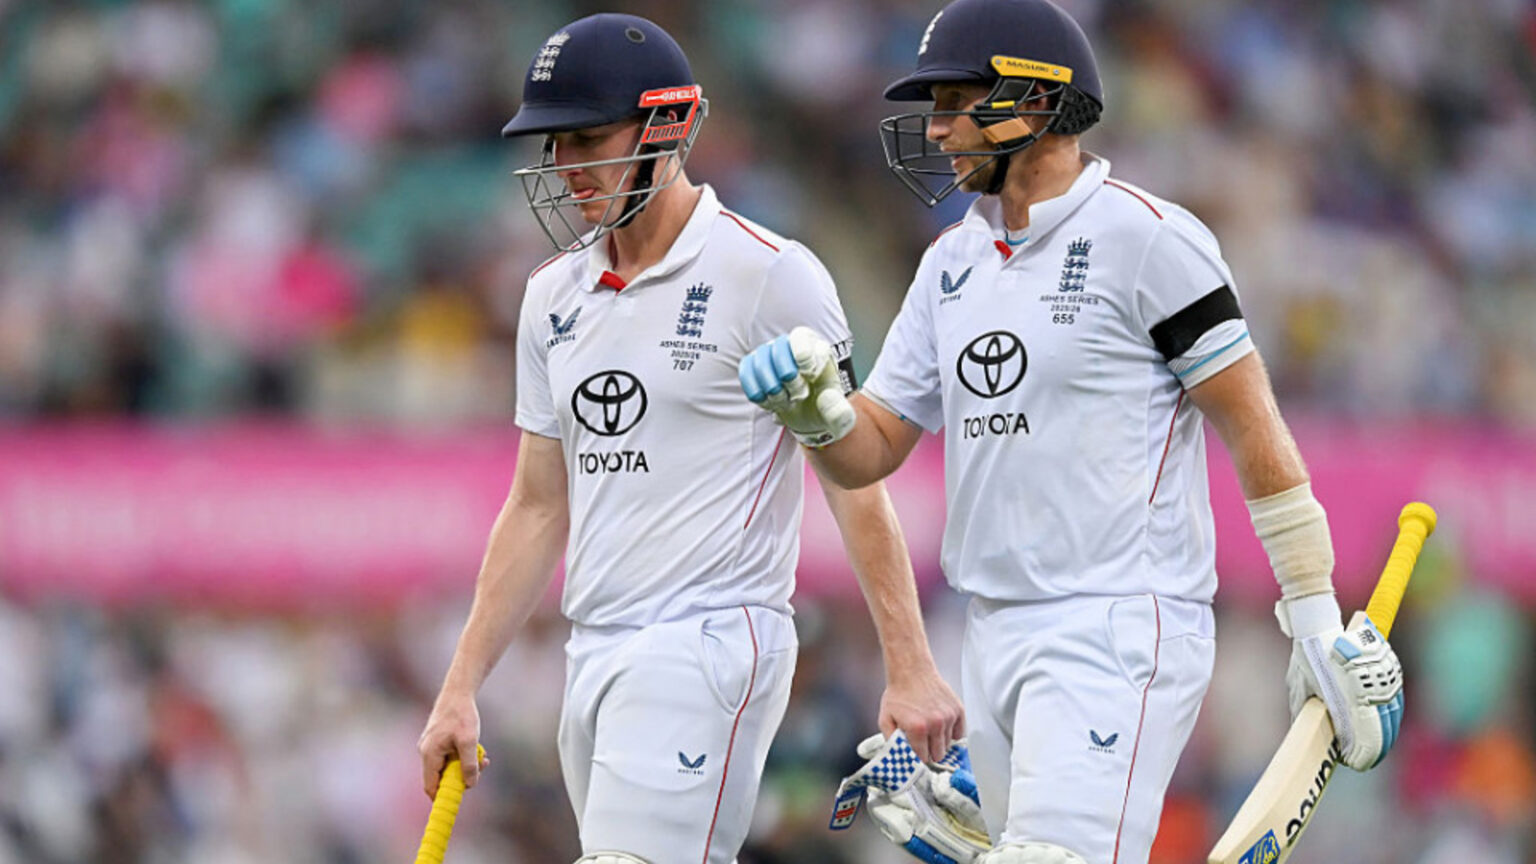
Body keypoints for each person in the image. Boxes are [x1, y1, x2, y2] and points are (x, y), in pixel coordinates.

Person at [738, 1, 1407, 862]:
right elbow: (873, 448)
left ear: (1037, 101)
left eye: (955, 103)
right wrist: (818, 413)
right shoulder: (951, 264)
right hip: (991, 632)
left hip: (1119, 623)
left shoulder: (1150, 239)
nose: (938, 131)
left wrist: (1313, 621)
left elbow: (1254, 430)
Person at [416, 13, 963, 864]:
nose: (566, 168)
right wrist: (461, 687)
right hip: (594, 650)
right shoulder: (550, 297)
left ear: (667, 125)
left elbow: (852, 474)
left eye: (588, 138)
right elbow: (535, 504)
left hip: (710, 641)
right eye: (553, 144)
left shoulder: (771, 275)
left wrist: (910, 665)